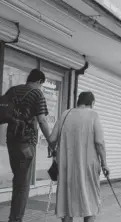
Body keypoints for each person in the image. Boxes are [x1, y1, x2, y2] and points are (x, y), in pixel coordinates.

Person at [49, 91, 109, 222]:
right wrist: (104, 164)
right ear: (92, 103)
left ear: (78, 102)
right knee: (90, 200)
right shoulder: (93, 115)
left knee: (65, 201)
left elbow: (52, 138)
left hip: (66, 165)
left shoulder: (65, 114)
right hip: (88, 167)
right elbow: (99, 143)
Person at [6, 69, 51, 222]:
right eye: (42, 85)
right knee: (23, 183)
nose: (41, 88)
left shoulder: (13, 90)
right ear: (39, 81)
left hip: (11, 140)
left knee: (18, 179)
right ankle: (16, 219)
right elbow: (42, 121)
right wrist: (51, 141)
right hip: (26, 142)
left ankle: (14, 217)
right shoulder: (37, 94)